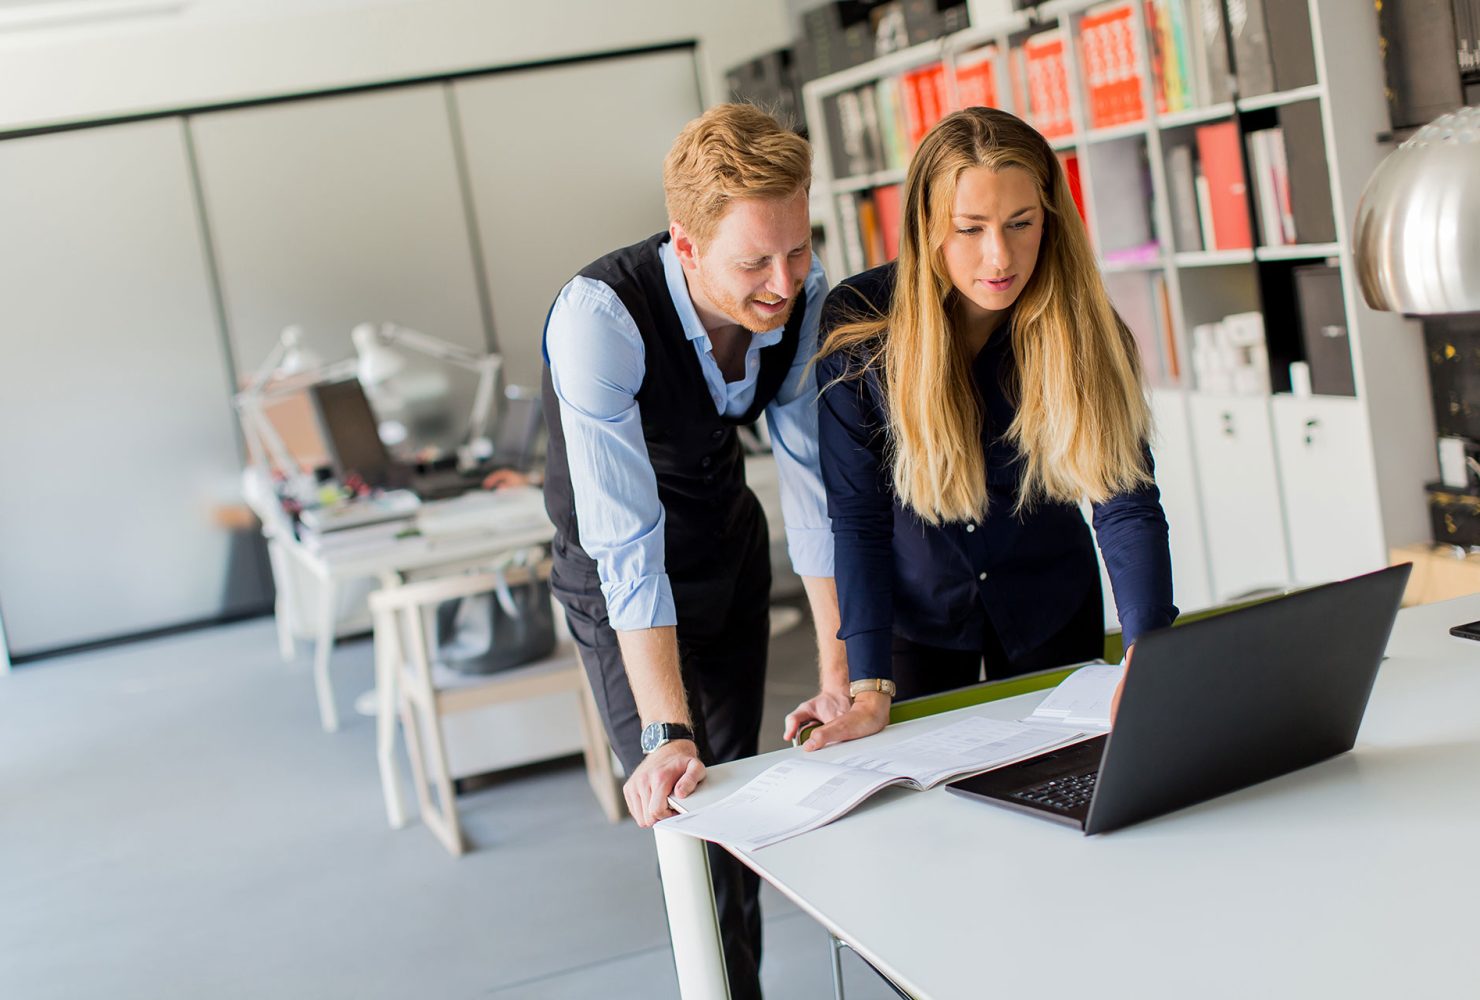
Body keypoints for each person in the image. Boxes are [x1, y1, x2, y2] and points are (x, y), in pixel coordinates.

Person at [540, 103, 845, 1000]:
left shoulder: (801, 291)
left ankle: (736, 983)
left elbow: (813, 484)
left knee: (737, 794)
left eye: (798, 249)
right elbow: (628, 544)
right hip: (617, 579)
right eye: (754, 262)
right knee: (686, 795)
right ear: (685, 243)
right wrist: (664, 732)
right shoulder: (599, 317)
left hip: (726, 549)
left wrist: (838, 666)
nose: (785, 283)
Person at [785, 106, 1177, 751]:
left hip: (1049, 600)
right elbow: (857, 517)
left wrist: (1149, 649)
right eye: (970, 229)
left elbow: (1124, 500)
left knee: (1068, 780)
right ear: (927, 226)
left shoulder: (1083, 327)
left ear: (1050, 219)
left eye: (1021, 224)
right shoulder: (862, 324)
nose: (1000, 257)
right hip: (917, 618)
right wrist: (867, 682)